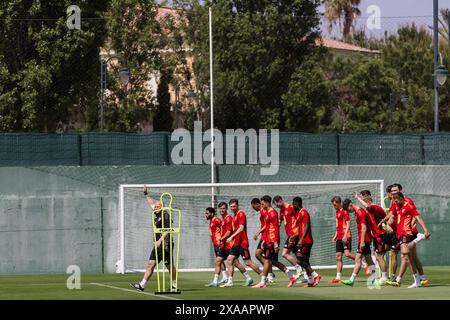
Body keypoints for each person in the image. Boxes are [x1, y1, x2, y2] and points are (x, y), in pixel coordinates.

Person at [130, 185, 177, 292]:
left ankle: (174, 285)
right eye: (155, 206)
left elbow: (169, 229)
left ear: (162, 207)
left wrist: (160, 241)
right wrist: (146, 194)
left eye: (157, 206)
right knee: (151, 264)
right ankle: (142, 285)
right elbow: (151, 203)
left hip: (166, 244)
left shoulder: (165, 215)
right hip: (157, 244)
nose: (155, 207)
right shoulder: (156, 213)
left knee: (169, 265)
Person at [387, 192, 430, 288]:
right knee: (409, 257)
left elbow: (418, 217)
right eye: (394, 199)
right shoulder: (395, 205)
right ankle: (417, 281)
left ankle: (418, 238)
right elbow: (392, 217)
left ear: (402, 198)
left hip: (406, 233)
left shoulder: (409, 205)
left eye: (397, 199)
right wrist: (388, 224)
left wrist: (425, 230)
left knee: (405, 254)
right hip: (399, 234)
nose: (395, 201)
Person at [252, 195, 296, 289]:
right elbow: (267, 227)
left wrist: (275, 243)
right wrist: (264, 240)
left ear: (267, 203)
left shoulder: (273, 213)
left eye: (262, 203)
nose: (261, 205)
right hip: (267, 239)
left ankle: (263, 282)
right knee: (272, 261)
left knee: (268, 260)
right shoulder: (267, 212)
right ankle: (291, 276)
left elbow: (276, 229)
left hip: (272, 240)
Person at [222, 199, 260, 287]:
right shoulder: (234, 216)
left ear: (238, 205)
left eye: (234, 206)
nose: (232, 208)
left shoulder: (241, 214)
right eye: (231, 206)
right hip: (236, 243)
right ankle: (230, 281)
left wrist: (231, 237)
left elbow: (241, 228)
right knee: (230, 260)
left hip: (243, 242)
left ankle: (263, 276)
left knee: (248, 262)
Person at [354, 190, 389, 283]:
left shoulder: (372, 207)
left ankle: (385, 277)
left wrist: (357, 198)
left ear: (365, 197)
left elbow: (368, 206)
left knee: (380, 256)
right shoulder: (379, 208)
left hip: (379, 235)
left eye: (361, 197)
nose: (360, 199)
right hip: (379, 235)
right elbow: (386, 220)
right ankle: (379, 276)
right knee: (377, 256)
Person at [341, 199, 377, 286]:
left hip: (364, 239)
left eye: (348, 210)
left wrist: (362, 241)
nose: (348, 212)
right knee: (369, 259)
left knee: (358, 259)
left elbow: (364, 227)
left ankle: (351, 280)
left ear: (350, 205)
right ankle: (374, 278)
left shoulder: (360, 212)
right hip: (365, 239)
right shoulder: (358, 212)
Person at [329, 196, 361, 283]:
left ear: (339, 203)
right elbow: (338, 225)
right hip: (339, 236)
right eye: (333, 205)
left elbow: (348, 223)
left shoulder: (344, 211)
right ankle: (338, 277)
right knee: (338, 256)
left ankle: (362, 262)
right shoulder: (337, 212)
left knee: (347, 254)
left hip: (345, 236)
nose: (334, 206)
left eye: (335, 204)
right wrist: (335, 235)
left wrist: (346, 235)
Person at [273, 195, 303, 280]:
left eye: (277, 204)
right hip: (290, 234)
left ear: (280, 201)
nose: (277, 206)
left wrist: (296, 232)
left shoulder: (291, 207)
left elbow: (299, 219)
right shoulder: (282, 210)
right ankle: (307, 275)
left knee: (284, 253)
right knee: (298, 255)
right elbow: (280, 221)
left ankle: (299, 269)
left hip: (294, 234)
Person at [293, 196, 321, 287]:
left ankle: (316, 275)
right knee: (306, 262)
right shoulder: (299, 213)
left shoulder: (304, 212)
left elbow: (306, 226)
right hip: (304, 240)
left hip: (306, 241)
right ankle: (310, 282)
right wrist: (295, 236)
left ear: (298, 203)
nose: (293, 205)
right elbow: (301, 228)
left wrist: (301, 239)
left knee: (300, 261)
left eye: (294, 203)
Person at [251, 198, 275, 283]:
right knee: (258, 254)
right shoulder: (263, 211)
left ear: (258, 204)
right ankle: (269, 272)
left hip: (267, 236)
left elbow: (267, 225)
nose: (254, 209)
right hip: (264, 235)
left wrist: (258, 232)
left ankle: (270, 274)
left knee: (265, 257)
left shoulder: (264, 211)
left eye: (254, 207)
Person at [204, 207, 228, 287]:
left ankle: (247, 277)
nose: (205, 215)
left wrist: (221, 240)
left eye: (207, 213)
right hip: (216, 243)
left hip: (219, 243)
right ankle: (225, 277)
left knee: (221, 261)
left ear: (212, 213)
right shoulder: (211, 221)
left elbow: (224, 229)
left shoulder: (217, 220)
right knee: (219, 260)